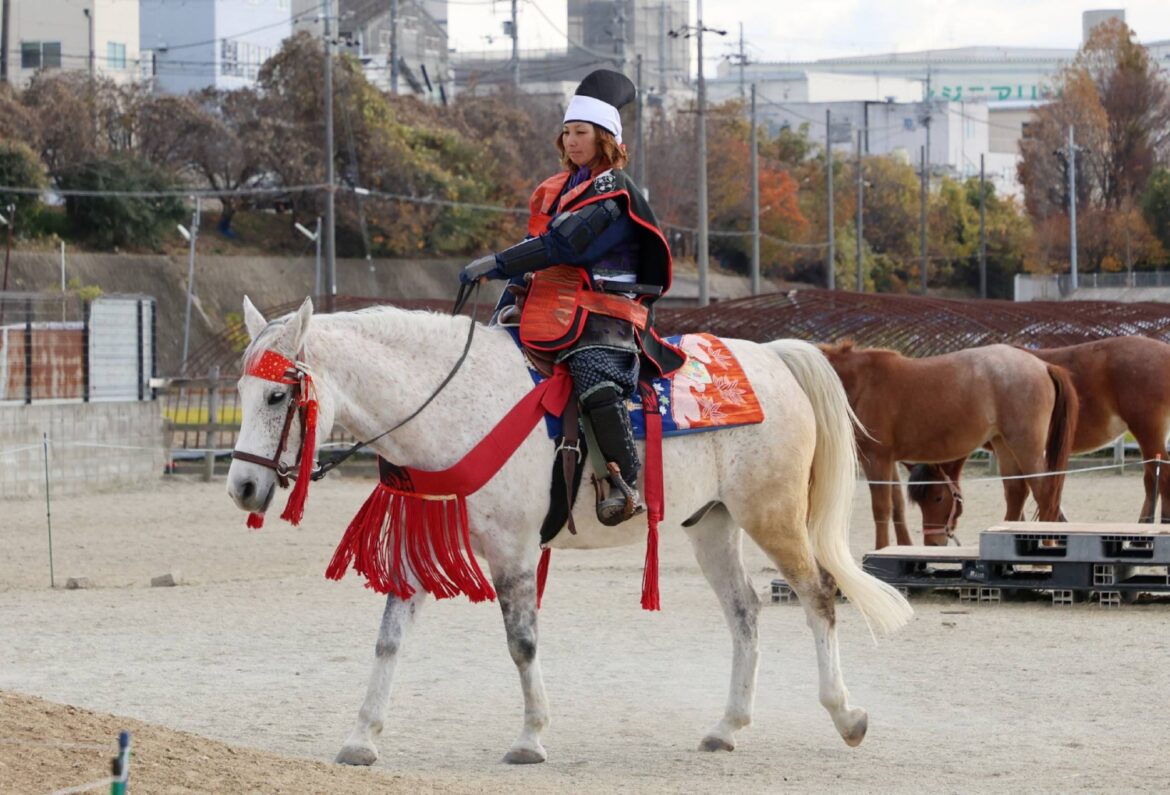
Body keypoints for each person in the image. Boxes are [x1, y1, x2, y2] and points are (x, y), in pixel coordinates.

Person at [460, 68, 680, 527]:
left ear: (605, 137)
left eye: (581, 132)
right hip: (553, 307)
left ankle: (624, 483)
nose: (571, 140)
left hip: (606, 317)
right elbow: (534, 247)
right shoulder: (558, 189)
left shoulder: (613, 191)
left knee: (592, 373)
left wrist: (495, 262)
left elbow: (564, 246)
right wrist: (506, 296)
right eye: (566, 132)